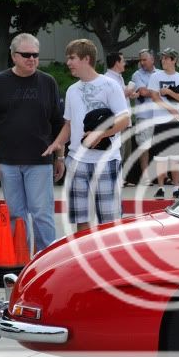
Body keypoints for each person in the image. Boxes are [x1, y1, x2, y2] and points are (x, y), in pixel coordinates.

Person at [0, 32, 64, 254]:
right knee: (16, 214)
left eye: (35, 55)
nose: (32, 59)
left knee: (42, 214)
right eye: (26, 54)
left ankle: (46, 263)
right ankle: (20, 262)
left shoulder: (48, 82)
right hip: (8, 162)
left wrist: (60, 156)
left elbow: (58, 124)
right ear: (13, 56)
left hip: (41, 159)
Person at [44, 38, 130, 232]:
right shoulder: (72, 90)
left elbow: (124, 120)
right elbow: (69, 124)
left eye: (72, 58)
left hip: (107, 160)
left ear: (86, 59)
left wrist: (101, 134)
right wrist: (57, 144)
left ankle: (108, 261)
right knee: (80, 218)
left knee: (110, 221)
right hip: (76, 161)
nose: (68, 63)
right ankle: (84, 260)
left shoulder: (110, 85)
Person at [148, 48, 179, 199]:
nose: (163, 61)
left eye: (167, 58)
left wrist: (170, 93)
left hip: (176, 122)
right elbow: (154, 96)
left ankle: (176, 188)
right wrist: (170, 109)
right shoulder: (155, 77)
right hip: (160, 121)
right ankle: (160, 188)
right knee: (161, 157)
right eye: (163, 58)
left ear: (174, 60)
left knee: (175, 157)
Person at [103, 51, 134, 184]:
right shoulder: (108, 78)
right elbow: (117, 96)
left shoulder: (118, 77)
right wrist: (129, 90)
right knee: (118, 151)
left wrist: (130, 93)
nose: (124, 63)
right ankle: (116, 178)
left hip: (125, 120)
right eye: (122, 61)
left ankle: (121, 177)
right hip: (117, 122)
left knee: (126, 151)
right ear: (116, 63)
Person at [130, 48, 157, 185]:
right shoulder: (137, 75)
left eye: (144, 59)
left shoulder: (160, 73)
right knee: (144, 146)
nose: (142, 62)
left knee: (160, 145)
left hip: (160, 114)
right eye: (140, 60)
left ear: (152, 59)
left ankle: (163, 176)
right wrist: (160, 91)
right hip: (145, 115)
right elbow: (143, 92)